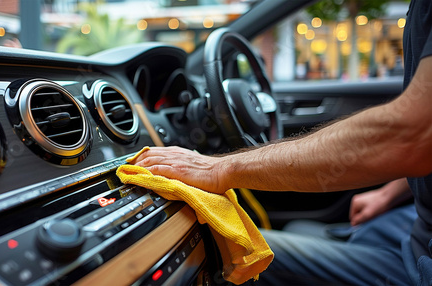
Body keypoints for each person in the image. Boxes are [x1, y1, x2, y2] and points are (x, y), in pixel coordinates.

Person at [129, 0, 432, 284]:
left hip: (422, 260)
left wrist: (219, 169)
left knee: (227, 251)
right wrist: (389, 195)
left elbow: (414, 133)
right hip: (414, 224)